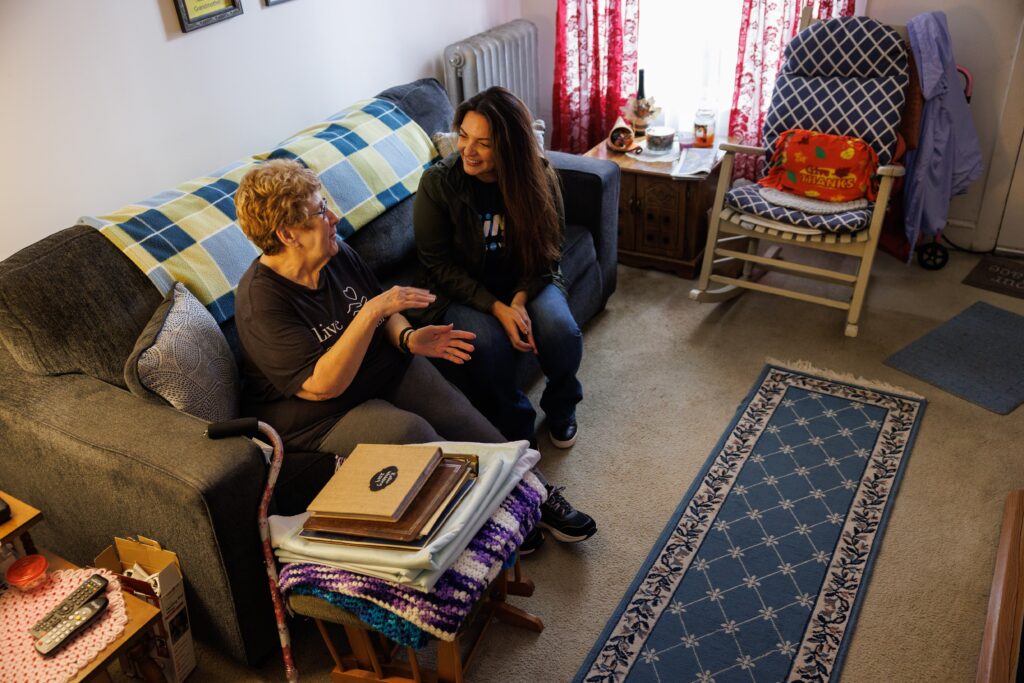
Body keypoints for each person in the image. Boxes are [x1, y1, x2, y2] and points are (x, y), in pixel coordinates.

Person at [233, 158, 596, 551]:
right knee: (415, 436)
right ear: (288, 234)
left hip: (379, 367)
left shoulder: (334, 254)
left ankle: (539, 493)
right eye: (320, 211)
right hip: (322, 415)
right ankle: (501, 520)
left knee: (465, 419)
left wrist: (407, 338)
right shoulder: (261, 301)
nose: (334, 217)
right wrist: (373, 312)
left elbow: (385, 310)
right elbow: (323, 385)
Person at [411, 87, 582, 450]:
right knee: (488, 343)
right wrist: (496, 308)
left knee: (561, 331)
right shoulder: (438, 184)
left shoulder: (538, 176)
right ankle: (516, 426)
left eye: (483, 143)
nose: (467, 150)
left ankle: (562, 405)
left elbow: (550, 249)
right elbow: (437, 264)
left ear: (509, 146)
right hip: (462, 290)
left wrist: (518, 300)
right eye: (464, 136)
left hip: (527, 280)